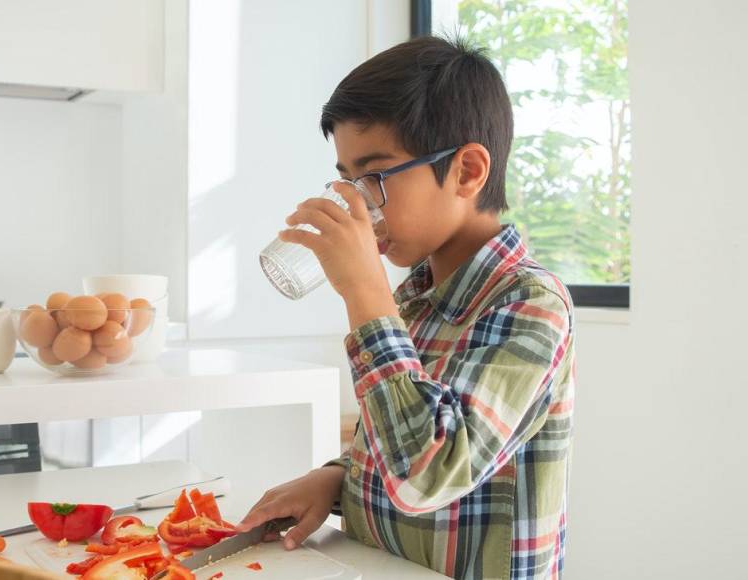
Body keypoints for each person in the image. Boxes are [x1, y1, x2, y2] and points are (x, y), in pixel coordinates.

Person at [239, 36, 577, 580]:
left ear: (467, 171)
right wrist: (337, 480)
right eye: (347, 178)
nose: (357, 201)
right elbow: (394, 436)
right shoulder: (415, 296)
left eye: (373, 177)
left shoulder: (531, 304)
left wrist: (365, 295)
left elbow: (427, 472)